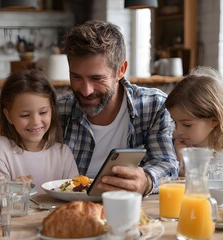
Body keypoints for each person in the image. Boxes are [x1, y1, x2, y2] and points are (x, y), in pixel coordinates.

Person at [58, 20, 178, 196]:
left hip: (128, 209)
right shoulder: (60, 110)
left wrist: (146, 180)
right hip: (72, 210)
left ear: (121, 70)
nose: (85, 90)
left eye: (97, 78)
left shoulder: (154, 106)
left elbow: (167, 164)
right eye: (76, 77)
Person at [0, 69, 79, 191]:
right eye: (25, 115)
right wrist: (11, 189)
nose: (36, 122)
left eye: (43, 112)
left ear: (52, 110)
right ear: (8, 116)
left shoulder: (63, 154)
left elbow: (74, 194)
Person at [165, 66, 223, 177]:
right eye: (175, 122)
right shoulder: (175, 147)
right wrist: (183, 162)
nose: (178, 130)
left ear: (215, 120)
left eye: (187, 124)